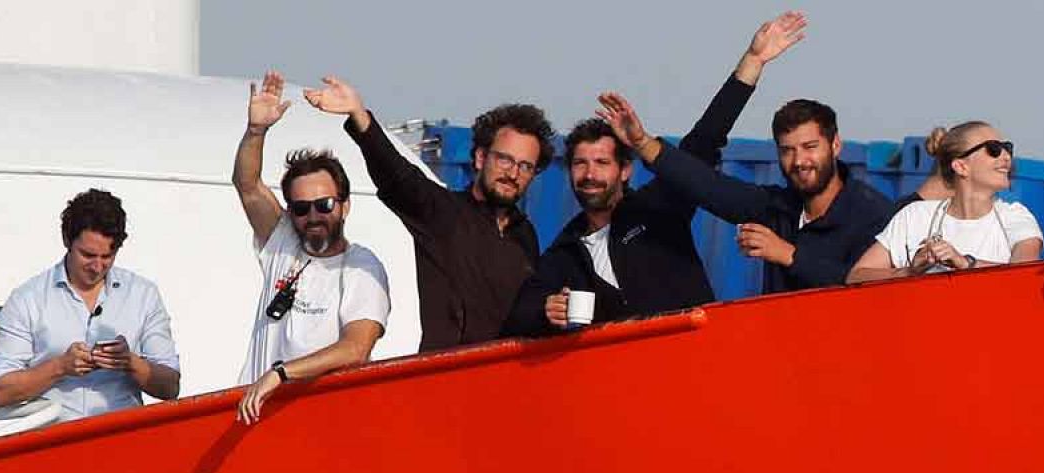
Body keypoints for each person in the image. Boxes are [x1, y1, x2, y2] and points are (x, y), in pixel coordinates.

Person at [596, 11, 893, 294]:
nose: (800, 161)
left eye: (810, 147)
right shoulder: (776, 208)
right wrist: (641, 141)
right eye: (788, 151)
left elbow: (876, 286)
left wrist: (789, 255)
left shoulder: (872, 214)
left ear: (835, 145)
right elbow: (703, 183)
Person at [303, 76, 554, 350]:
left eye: (525, 166)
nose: (513, 173)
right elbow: (397, 175)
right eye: (504, 159)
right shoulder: (443, 212)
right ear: (481, 158)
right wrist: (360, 116)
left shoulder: (525, 234)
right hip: (448, 379)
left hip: (507, 379)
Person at [232, 71, 390, 425]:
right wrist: (256, 132)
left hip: (317, 425)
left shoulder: (361, 266)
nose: (314, 216)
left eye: (325, 205)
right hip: (254, 418)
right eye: (301, 208)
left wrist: (281, 374)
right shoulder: (284, 242)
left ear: (345, 205)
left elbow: (356, 349)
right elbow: (247, 184)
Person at [501, 112, 722, 335]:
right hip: (625, 367)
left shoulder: (656, 209)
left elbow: (702, 144)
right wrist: (546, 311)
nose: (589, 174)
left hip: (697, 357)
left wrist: (743, 79)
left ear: (625, 170)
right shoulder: (565, 252)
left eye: (602, 163)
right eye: (580, 163)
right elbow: (518, 318)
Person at [0, 189, 180, 421]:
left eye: (107, 256)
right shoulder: (27, 299)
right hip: (54, 443)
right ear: (67, 240)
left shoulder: (144, 294)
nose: (97, 267)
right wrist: (61, 367)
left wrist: (131, 363)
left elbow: (170, 387)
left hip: (123, 441)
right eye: (87, 255)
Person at [848, 122, 1043, 282]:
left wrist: (966, 264)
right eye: (993, 149)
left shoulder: (1016, 216)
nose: (1006, 157)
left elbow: (1023, 275)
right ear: (961, 166)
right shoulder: (915, 215)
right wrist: (911, 272)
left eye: (1007, 148)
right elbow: (857, 276)